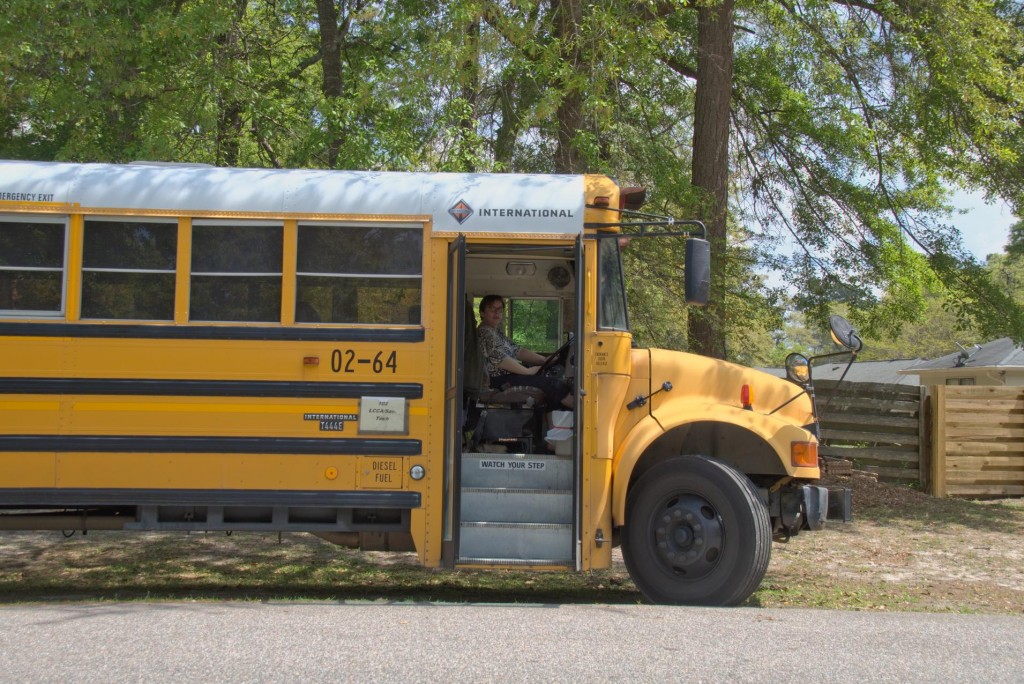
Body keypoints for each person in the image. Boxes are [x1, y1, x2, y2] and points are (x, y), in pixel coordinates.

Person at [476, 294, 573, 408]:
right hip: (497, 381)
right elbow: (501, 360)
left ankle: (552, 422)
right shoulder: (484, 333)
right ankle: (580, 416)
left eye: (500, 309)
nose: (497, 313)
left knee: (548, 382)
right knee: (553, 385)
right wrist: (528, 372)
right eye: (492, 309)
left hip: (507, 376)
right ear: (482, 313)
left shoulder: (496, 332)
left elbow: (518, 351)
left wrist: (544, 360)